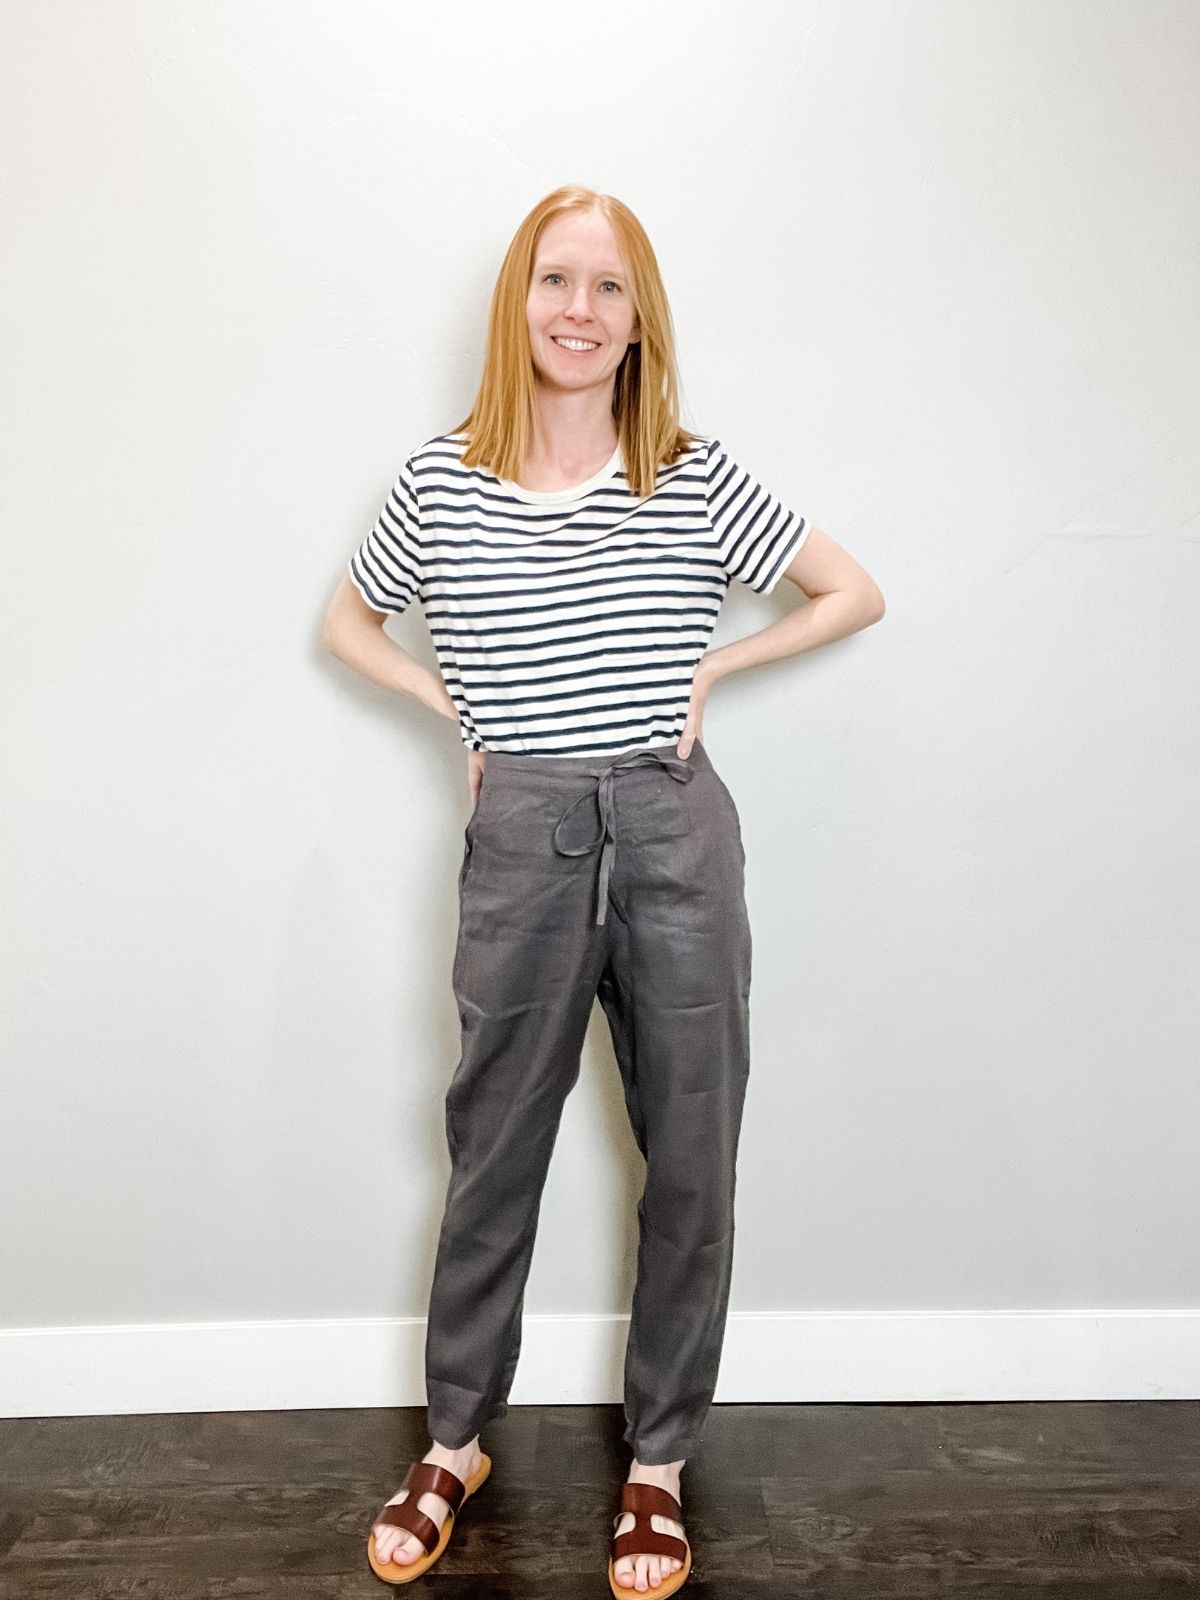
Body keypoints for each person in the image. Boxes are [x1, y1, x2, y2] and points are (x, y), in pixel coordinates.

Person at [322, 184, 885, 1596]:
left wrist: (711, 670)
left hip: (673, 824)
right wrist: (443, 701)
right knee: (491, 1146)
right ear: (519, 302)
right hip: (522, 829)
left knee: (691, 1151)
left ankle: (657, 1469)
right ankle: (455, 1442)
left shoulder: (689, 471)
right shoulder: (443, 478)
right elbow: (347, 616)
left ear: (642, 321)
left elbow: (850, 589)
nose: (581, 311)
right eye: (556, 281)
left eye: (610, 289)